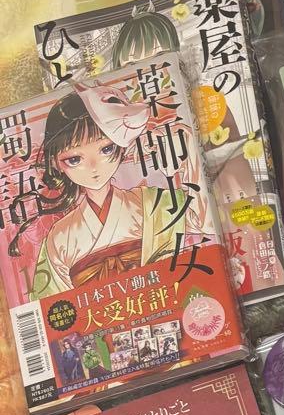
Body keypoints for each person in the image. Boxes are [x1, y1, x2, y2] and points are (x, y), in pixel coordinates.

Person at [6, 90, 211, 298]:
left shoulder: (152, 202)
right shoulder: (59, 236)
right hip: (99, 315)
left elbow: (206, 223)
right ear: (56, 163)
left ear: (121, 147)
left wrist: (186, 143)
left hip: (162, 302)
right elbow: (52, 304)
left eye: (106, 150)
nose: (93, 167)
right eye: (74, 159)